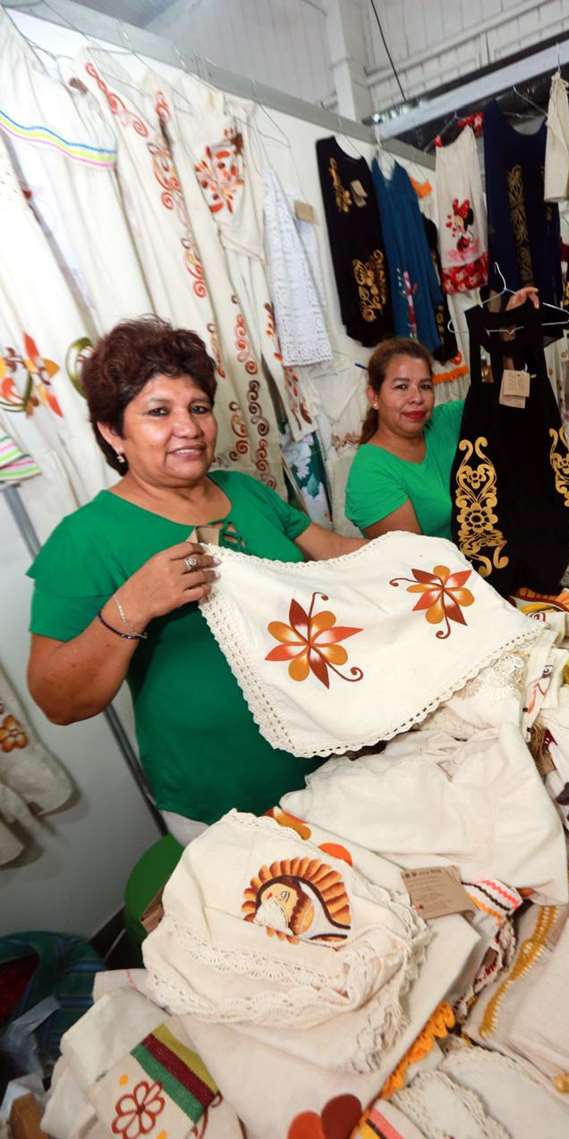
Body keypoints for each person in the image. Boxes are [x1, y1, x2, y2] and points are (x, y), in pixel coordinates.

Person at [26, 318, 365, 844]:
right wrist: (131, 606)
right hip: (221, 795)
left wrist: (427, 555)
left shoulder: (245, 492)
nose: (188, 427)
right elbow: (59, 701)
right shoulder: (86, 538)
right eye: (159, 412)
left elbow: (339, 556)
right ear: (112, 431)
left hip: (328, 750)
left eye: (198, 408)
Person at [345, 288, 540, 540]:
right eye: (401, 387)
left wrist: (507, 332)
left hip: (494, 557)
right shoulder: (369, 474)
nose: (416, 397)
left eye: (425, 386)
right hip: (445, 576)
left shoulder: (447, 420)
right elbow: (416, 561)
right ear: (374, 397)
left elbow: (506, 402)